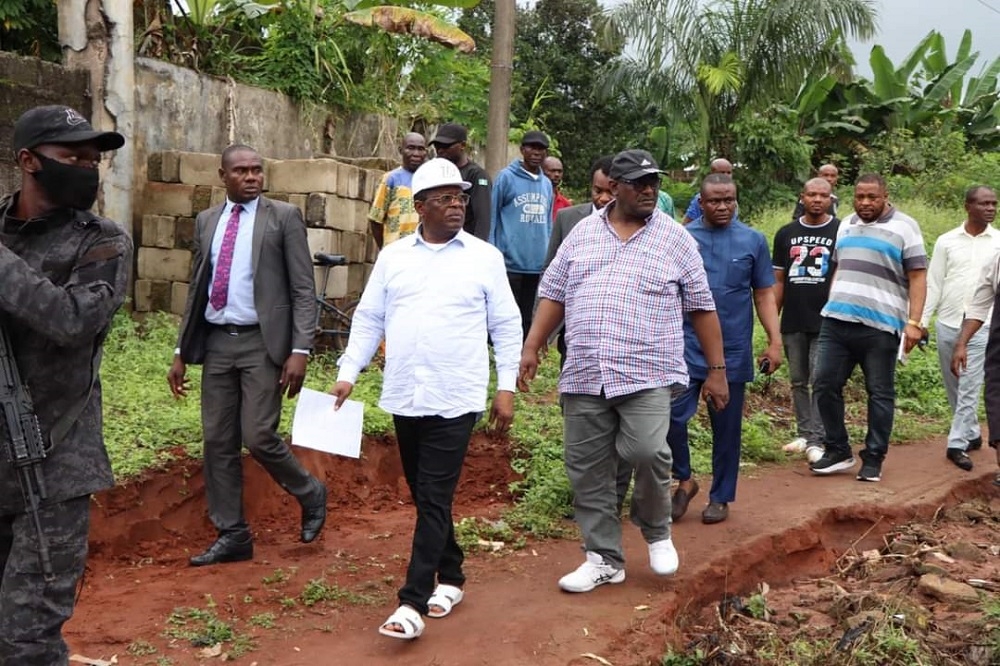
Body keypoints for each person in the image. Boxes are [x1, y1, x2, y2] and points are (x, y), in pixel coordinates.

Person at [520, 149, 728, 593]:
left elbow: (702, 308)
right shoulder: (580, 235)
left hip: (647, 372)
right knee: (588, 468)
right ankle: (603, 558)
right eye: (639, 183)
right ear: (614, 188)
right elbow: (553, 293)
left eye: (653, 181)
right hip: (585, 371)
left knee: (649, 451)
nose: (649, 189)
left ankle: (656, 531)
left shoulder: (675, 239)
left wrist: (716, 370)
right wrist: (532, 345)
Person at [331, 158, 522, 639]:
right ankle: (452, 575)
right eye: (444, 199)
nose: (457, 205)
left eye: (459, 197)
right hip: (405, 393)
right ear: (420, 207)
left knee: (434, 495)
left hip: (456, 396)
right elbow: (370, 318)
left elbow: (506, 325)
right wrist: (347, 373)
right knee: (425, 496)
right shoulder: (394, 258)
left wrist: (506, 386)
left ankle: (412, 602)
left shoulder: (484, 257)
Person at [0, 105, 132, 663]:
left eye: (93, 159)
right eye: (73, 156)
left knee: (26, 638)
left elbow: (71, 321)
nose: (87, 167)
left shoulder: (101, 242)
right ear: (29, 161)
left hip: (52, 463)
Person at [169, 144, 328, 567]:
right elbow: (196, 287)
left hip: (263, 343)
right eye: (242, 171)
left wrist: (299, 349)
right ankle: (233, 533)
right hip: (218, 341)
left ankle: (310, 491)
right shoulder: (206, 221)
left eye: (257, 170)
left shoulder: (283, 217)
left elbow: (302, 290)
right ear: (223, 175)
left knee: (258, 434)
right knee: (217, 440)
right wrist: (181, 350)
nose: (252, 177)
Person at [667, 174, 782, 525]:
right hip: (684, 346)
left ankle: (720, 496)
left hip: (732, 348)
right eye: (715, 201)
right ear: (700, 203)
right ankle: (685, 480)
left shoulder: (752, 240)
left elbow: (763, 293)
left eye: (728, 200)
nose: (722, 206)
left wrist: (774, 340)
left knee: (727, 427)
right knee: (669, 417)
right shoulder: (682, 239)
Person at [810, 173, 927, 482]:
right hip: (836, 321)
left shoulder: (905, 226)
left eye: (871, 197)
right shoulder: (846, 223)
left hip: (880, 325)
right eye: (859, 197)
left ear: (885, 195)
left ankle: (873, 456)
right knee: (823, 383)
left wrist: (914, 323)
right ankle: (838, 449)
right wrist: (834, 299)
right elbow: (840, 267)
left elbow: (917, 276)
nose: (864, 203)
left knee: (879, 392)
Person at [921, 186, 1000, 471]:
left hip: (983, 325)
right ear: (968, 206)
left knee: (969, 384)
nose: (990, 208)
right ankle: (972, 433)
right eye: (984, 203)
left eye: (993, 203)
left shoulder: (998, 242)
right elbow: (934, 283)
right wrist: (921, 322)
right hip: (948, 322)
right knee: (953, 381)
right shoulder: (946, 241)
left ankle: (956, 443)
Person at [772, 178, 841, 461]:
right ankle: (805, 432)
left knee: (821, 379)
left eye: (822, 195)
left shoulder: (841, 231)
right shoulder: (786, 233)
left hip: (826, 320)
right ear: (802, 197)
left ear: (831, 199)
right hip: (793, 319)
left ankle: (818, 438)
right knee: (798, 380)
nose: (816, 200)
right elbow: (777, 280)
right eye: (811, 194)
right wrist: (772, 325)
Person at [490, 130, 554, 339]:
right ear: (522, 150)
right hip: (510, 261)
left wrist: (548, 256)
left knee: (528, 314)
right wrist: (494, 250)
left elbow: (548, 222)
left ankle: (524, 355)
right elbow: (493, 215)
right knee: (507, 312)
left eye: (541, 149)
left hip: (536, 263)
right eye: (532, 147)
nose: (536, 152)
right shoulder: (506, 178)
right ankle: (500, 351)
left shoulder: (546, 184)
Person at [951, 215, 1000, 487]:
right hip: (998, 350)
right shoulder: (997, 260)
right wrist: (962, 343)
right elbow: (980, 306)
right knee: (997, 403)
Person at [429, 122, 491, 240]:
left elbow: (483, 219)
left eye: (446, 146)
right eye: (437, 146)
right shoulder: (435, 171)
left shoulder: (477, 175)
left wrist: (478, 250)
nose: (440, 150)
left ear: (462, 145)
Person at [368, 132, 428, 248]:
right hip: (395, 249)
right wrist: (385, 250)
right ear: (401, 150)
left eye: (420, 149)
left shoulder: (430, 181)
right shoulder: (390, 179)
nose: (416, 153)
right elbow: (375, 219)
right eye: (410, 148)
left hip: (422, 250)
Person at [681, 158, 733, 224]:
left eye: (729, 173)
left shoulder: (732, 198)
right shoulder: (702, 199)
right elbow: (686, 225)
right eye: (722, 172)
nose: (726, 176)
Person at [542, 155, 572, 219]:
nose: (557, 174)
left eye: (559, 171)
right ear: (542, 171)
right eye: (552, 171)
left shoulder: (566, 204)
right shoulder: (532, 198)